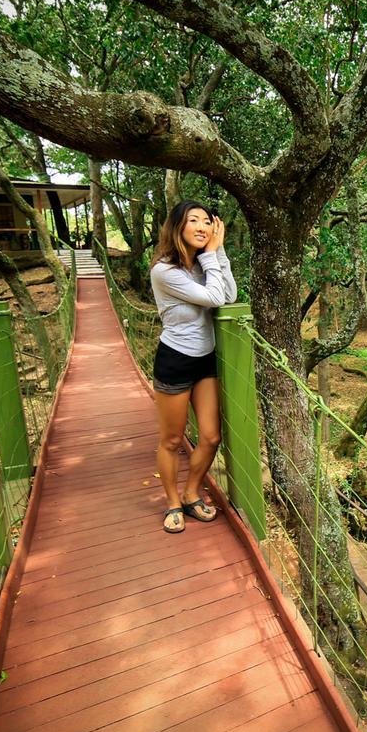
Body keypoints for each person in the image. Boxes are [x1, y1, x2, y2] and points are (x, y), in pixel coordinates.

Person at [150, 201, 236, 533]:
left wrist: (219, 251)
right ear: (178, 227)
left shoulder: (204, 262)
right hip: (175, 359)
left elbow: (228, 294)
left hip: (206, 360)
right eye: (193, 221)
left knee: (211, 437)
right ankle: (172, 501)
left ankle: (191, 492)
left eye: (206, 222)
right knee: (171, 440)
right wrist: (212, 254)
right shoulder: (165, 270)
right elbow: (214, 299)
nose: (202, 227)